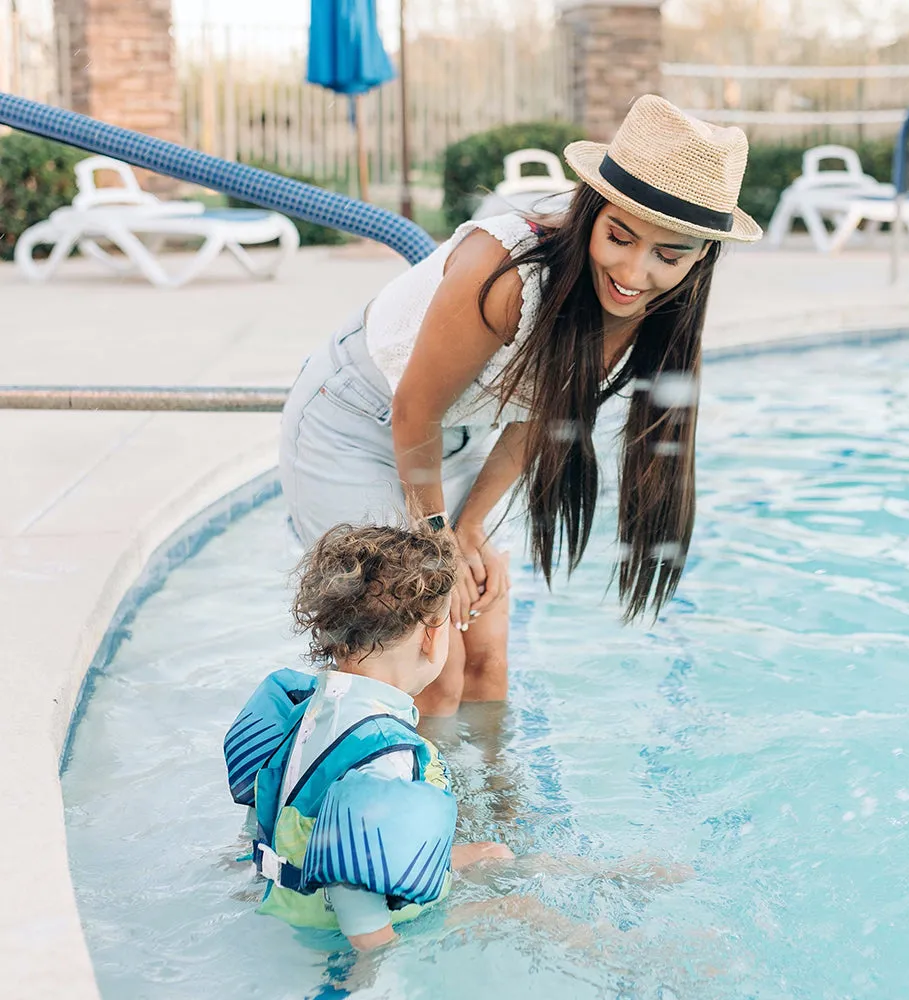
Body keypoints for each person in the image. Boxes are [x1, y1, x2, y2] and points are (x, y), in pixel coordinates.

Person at [278, 95, 764, 718]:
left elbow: (541, 413)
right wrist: (437, 538)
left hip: (458, 438)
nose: (634, 272)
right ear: (592, 211)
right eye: (618, 236)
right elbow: (414, 410)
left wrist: (472, 523)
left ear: (701, 258)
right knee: (429, 670)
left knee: (484, 661)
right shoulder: (507, 271)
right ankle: (383, 802)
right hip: (357, 423)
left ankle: (493, 815)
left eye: (668, 255)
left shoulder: (645, 309)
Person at [223, 524, 513, 951]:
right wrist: (380, 957)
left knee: (492, 854)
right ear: (432, 635)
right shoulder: (384, 752)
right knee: (520, 910)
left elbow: (263, 815)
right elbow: (351, 888)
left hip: (292, 884)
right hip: (335, 924)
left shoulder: (309, 708)